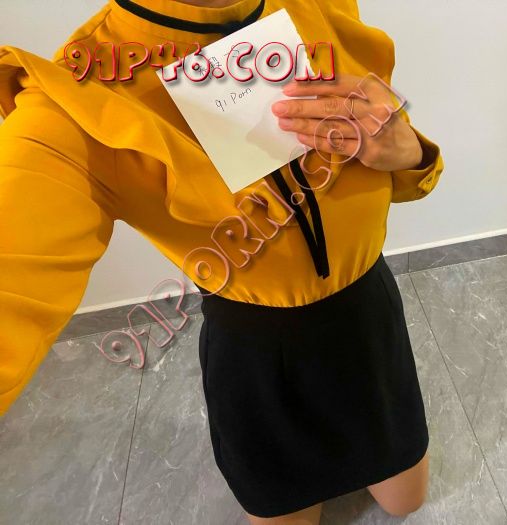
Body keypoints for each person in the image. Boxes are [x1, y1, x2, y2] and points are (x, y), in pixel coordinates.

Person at [0, 0, 444, 523]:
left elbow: (393, 156)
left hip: (368, 318)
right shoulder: (77, 96)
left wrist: (412, 152)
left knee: (406, 501)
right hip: (255, 352)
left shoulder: (323, 7)